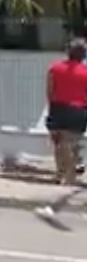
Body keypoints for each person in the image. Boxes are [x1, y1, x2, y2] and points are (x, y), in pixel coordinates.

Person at [44, 38, 87, 186]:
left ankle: (61, 173)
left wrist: (51, 108)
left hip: (58, 108)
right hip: (79, 111)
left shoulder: (55, 68)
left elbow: (50, 91)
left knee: (59, 143)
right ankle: (69, 174)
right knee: (70, 144)